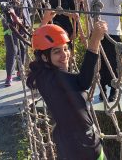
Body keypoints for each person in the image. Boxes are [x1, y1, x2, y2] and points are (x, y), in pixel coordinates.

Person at [27, 11, 108, 160]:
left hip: (68, 146)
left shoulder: (42, 75)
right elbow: (83, 81)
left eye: (65, 48)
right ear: (45, 57)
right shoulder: (58, 79)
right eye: (57, 52)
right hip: (85, 149)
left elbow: (38, 48)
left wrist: (44, 23)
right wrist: (95, 40)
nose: (65, 55)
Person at [86, 0, 122, 102]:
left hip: (113, 31)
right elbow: (89, 7)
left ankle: (113, 90)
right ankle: (102, 90)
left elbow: (120, 0)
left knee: (113, 64)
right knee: (99, 63)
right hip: (98, 31)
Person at [0, 0, 32, 87]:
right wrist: (14, 17)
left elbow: (30, 8)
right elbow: (4, 9)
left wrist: (26, 20)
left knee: (23, 49)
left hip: (24, 25)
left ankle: (20, 71)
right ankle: (9, 75)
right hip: (11, 27)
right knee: (12, 50)